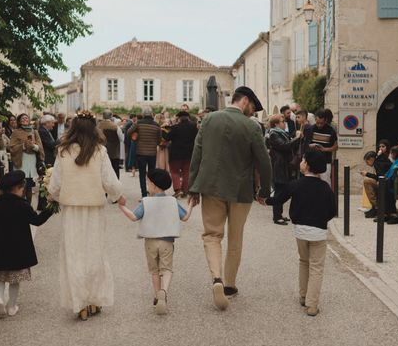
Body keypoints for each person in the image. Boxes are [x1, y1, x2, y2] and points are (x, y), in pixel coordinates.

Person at [188, 86, 272, 310]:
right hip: (240, 190)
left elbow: (197, 154)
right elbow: (264, 161)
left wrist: (193, 188)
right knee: (236, 238)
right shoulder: (251, 127)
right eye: (253, 107)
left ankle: (217, 277)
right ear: (244, 101)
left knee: (212, 235)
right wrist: (264, 191)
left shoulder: (209, 120)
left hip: (211, 187)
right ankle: (230, 285)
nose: (252, 113)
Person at [47, 111, 126, 321]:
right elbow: (110, 181)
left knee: (74, 254)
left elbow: (55, 183)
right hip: (94, 209)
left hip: (71, 209)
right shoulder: (99, 151)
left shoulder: (63, 152)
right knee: (94, 252)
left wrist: (52, 196)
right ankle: (92, 300)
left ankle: (79, 303)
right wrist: (118, 195)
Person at [267, 150, 336, 317]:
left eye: (303, 160)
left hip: (300, 231)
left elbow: (278, 199)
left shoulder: (296, 184)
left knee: (304, 261)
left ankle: (303, 295)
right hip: (318, 232)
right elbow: (332, 211)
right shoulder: (326, 188)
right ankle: (312, 305)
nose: (301, 162)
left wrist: (264, 199)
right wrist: (321, 220)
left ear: (307, 165)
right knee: (316, 267)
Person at [119, 168, 193, 315]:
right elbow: (185, 217)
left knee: (154, 271)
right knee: (166, 270)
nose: (147, 185)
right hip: (167, 242)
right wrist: (190, 204)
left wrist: (122, 206)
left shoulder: (146, 202)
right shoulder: (172, 201)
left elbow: (134, 217)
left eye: (147, 182)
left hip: (150, 243)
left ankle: (156, 295)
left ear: (153, 185)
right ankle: (164, 292)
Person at [0, 170, 54, 317]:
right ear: (17, 188)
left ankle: (0, 299)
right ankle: (12, 306)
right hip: (18, 250)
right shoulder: (22, 205)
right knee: (15, 280)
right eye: (22, 188)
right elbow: (37, 221)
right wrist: (51, 208)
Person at [267, 114, 298, 225]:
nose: (284, 123)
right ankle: (276, 217)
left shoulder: (281, 133)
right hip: (279, 166)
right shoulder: (273, 134)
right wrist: (297, 138)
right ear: (276, 124)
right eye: (281, 121)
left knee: (282, 190)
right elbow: (285, 146)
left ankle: (279, 214)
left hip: (284, 166)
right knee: (279, 191)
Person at [9, 113, 44, 204]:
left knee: (29, 186)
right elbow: (11, 147)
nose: (25, 119)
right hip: (21, 160)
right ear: (19, 121)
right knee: (21, 186)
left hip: (32, 161)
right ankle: (20, 205)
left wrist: (33, 146)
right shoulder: (16, 132)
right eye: (22, 118)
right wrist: (23, 146)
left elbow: (40, 147)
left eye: (26, 118)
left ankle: (28, 206)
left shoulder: (34, 131)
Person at [128, 107, 161, 198]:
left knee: (142, 174)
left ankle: (144, 195)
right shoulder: (157, 125)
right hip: (152, 153)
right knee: (152, 174)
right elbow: (159, 141)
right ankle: (151, 193)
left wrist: (136, 136)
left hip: (141, 153)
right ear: (152, 114)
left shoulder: (138, 123)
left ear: (143, 114)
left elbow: (128, 132)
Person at [163, 111, 198, 198]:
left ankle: (178, 189)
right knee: (186, 172)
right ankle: (185, 191)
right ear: (188, 118)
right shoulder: (193, 127)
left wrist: (163, 130)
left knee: (175, 172)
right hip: (189, 153)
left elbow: (167, 138)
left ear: (179, 118)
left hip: (176, 153)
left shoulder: (175, 127)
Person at [360, 139, 392, 218]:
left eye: (383, 146)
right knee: (368, 181)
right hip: (384, 181)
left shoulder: (381, 161)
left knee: (367, 181)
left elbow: (380, 176)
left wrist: (367, 174)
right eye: (379, 147)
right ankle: (375, 207)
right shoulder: (379, 159)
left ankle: (377, 207)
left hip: (387, 182)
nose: (381, 148)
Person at [305, 109, 338, 186]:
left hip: (326, 161)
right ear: (315, 119)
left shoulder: (331, 131)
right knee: (311, 184)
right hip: (311, 161)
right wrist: (311, 146)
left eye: (321, 123)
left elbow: (336, 147)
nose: (319, 125)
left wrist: (325, 149)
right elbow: (305, 145)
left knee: (325, 182)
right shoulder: (310, 129)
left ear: (325, 120)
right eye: (317, 122)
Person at [97, 110, 122, 179]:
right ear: (111, 116)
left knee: (102, 170)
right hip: (114, 151)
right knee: (115, 169)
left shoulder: (98, 126)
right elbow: (121, 138)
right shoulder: (115, 127)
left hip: (101, 151)